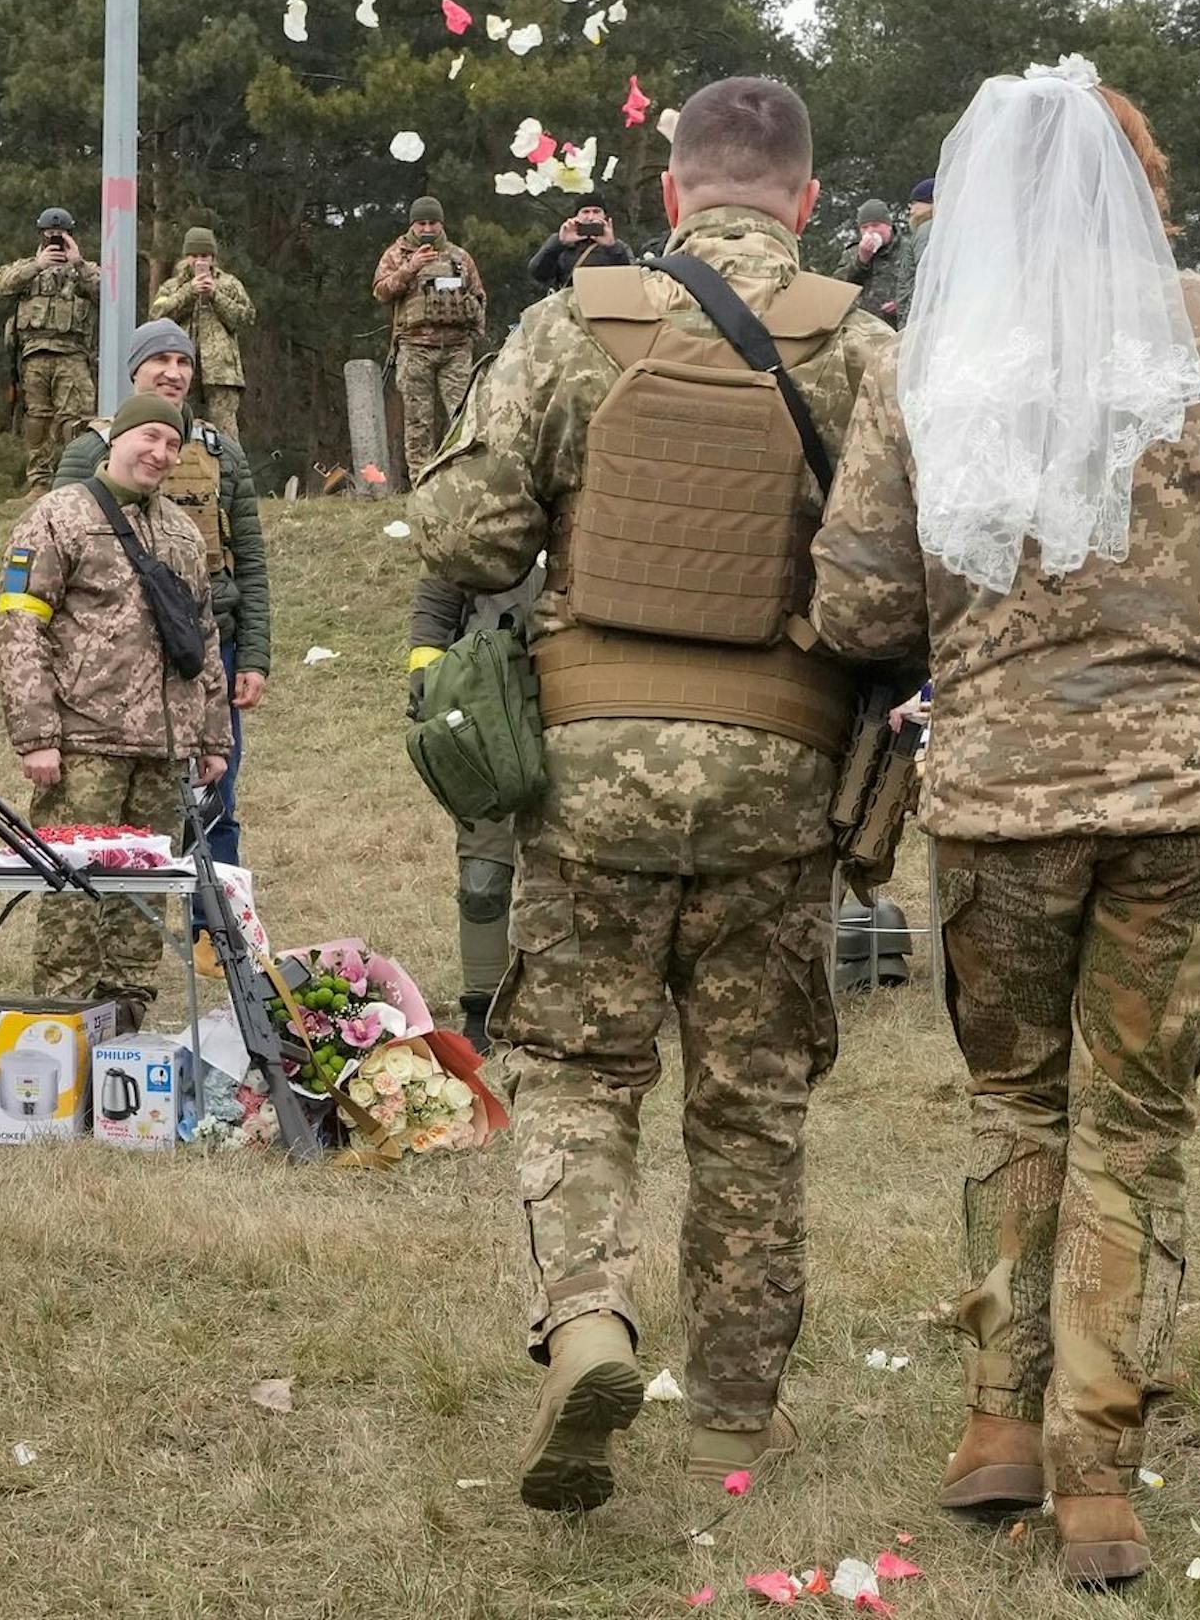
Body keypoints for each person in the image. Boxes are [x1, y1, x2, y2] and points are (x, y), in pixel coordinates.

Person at [809, 64, 1200, 1587]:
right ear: (1146, 183)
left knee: (1018, 1108)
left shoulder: (925, 360)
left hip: (999, 804)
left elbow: (855, 601)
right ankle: (1098, 1480)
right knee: (1136, 1126)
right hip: (1187, 797)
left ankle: (998, 1426)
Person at [411, 78, 896, 1510]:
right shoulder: (867, 348)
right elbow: (897, 586)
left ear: (672, 191)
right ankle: (735, 1421)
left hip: (594, 768)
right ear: (803, 203)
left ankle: (588, 1326)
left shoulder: (575, 324)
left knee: (574, 1070)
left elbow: (467, 530)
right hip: (780, 776)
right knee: (749, 1107)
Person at [0, 394, 232, 1029]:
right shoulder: (57, 517)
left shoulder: (182, 532)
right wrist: (37, 734)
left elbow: (203, 635)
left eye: (172, 444)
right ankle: (63, 1030)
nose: (159, 453)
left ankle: (127, 1026)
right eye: (149, 437)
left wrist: (213, 736)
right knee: (74, 895)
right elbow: (20, 628)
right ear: (115, 440)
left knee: (141, 902)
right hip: (84, 745)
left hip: (165, 750)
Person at [54, 319, 271, 867]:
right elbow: (56, 562)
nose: (173, 373)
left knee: (215, 800)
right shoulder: (86, 453)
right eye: (160, 362)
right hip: (112, 662)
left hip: (205, 653)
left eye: (184, 363)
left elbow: (251, 563)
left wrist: (254, 657)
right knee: (119, 813)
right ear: (135, 371)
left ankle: (211, 935)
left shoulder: (223, 455)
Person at [406, 567, 543, 1056]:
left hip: (586, 689)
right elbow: (443, 579)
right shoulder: (494, 499)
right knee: (483, 878)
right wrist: (426, 668)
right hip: (491, 691)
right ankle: (483, 1006)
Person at [373, 196, 487, 482]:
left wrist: (475, 334)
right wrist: (410, 268)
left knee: (463, 418)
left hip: (456, 349)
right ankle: (422, 482)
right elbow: (380, 292)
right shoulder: (396, 254)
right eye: (421, 223)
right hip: (414, 348)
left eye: (432, 223)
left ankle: (462, 480)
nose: (427, 229)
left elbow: (479, 297)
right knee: (418, 421)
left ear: (441, 224)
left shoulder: (459, 257)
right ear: (412, 224)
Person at [0, 208, 100, 493]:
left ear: (71, 235)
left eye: (61, 235)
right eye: (50, 234)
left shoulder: (84, 271)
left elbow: (107, 291)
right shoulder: (28, 267)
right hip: (34, 355)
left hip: (73, 355)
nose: (55, 240)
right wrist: (37, 265)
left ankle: (78, 481)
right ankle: (39, 483)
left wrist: (77, 263)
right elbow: (3, 283)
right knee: (37, 419)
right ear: (41, 235)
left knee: (76, 421)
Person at [147, 228, 255, 442]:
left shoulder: (229, 284)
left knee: (226, 435)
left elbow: (246, 318)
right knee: (179, 426)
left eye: (204, 256)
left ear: (213, 258)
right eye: (194, 256)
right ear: (185, 257)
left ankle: (228, 474)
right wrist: (189, 292)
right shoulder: (172, 286)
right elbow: (157, 316)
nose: (198, 261)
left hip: (221, 373)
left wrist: (215, 295)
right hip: (180, 371)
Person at [526, 194, 636, 291]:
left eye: (596, 211)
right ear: (576, 216)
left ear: (604, 216)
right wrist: (558, 243)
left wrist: (612, 247)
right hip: (570, 308)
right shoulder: (561, 244)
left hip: (606, 306)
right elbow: (538, 274)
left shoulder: (618, 246)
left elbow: (631, 279)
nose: (591, 217)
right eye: (585, 212)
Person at [836, 197, 903, 325]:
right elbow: (838, 288)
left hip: (898, 328)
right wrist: (861, 261)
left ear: (888, 225)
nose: (870, 231)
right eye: (864, 227)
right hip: (862, 329)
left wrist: (902, 303)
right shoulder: (853, 252)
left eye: (875, 225)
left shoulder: (907, 249)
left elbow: (923, 286)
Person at [895, 177, 934, 326]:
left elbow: (924, 277)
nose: (911, 210)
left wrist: (910, 323)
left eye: (915, 203)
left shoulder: (926, 230)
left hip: (919, 320)